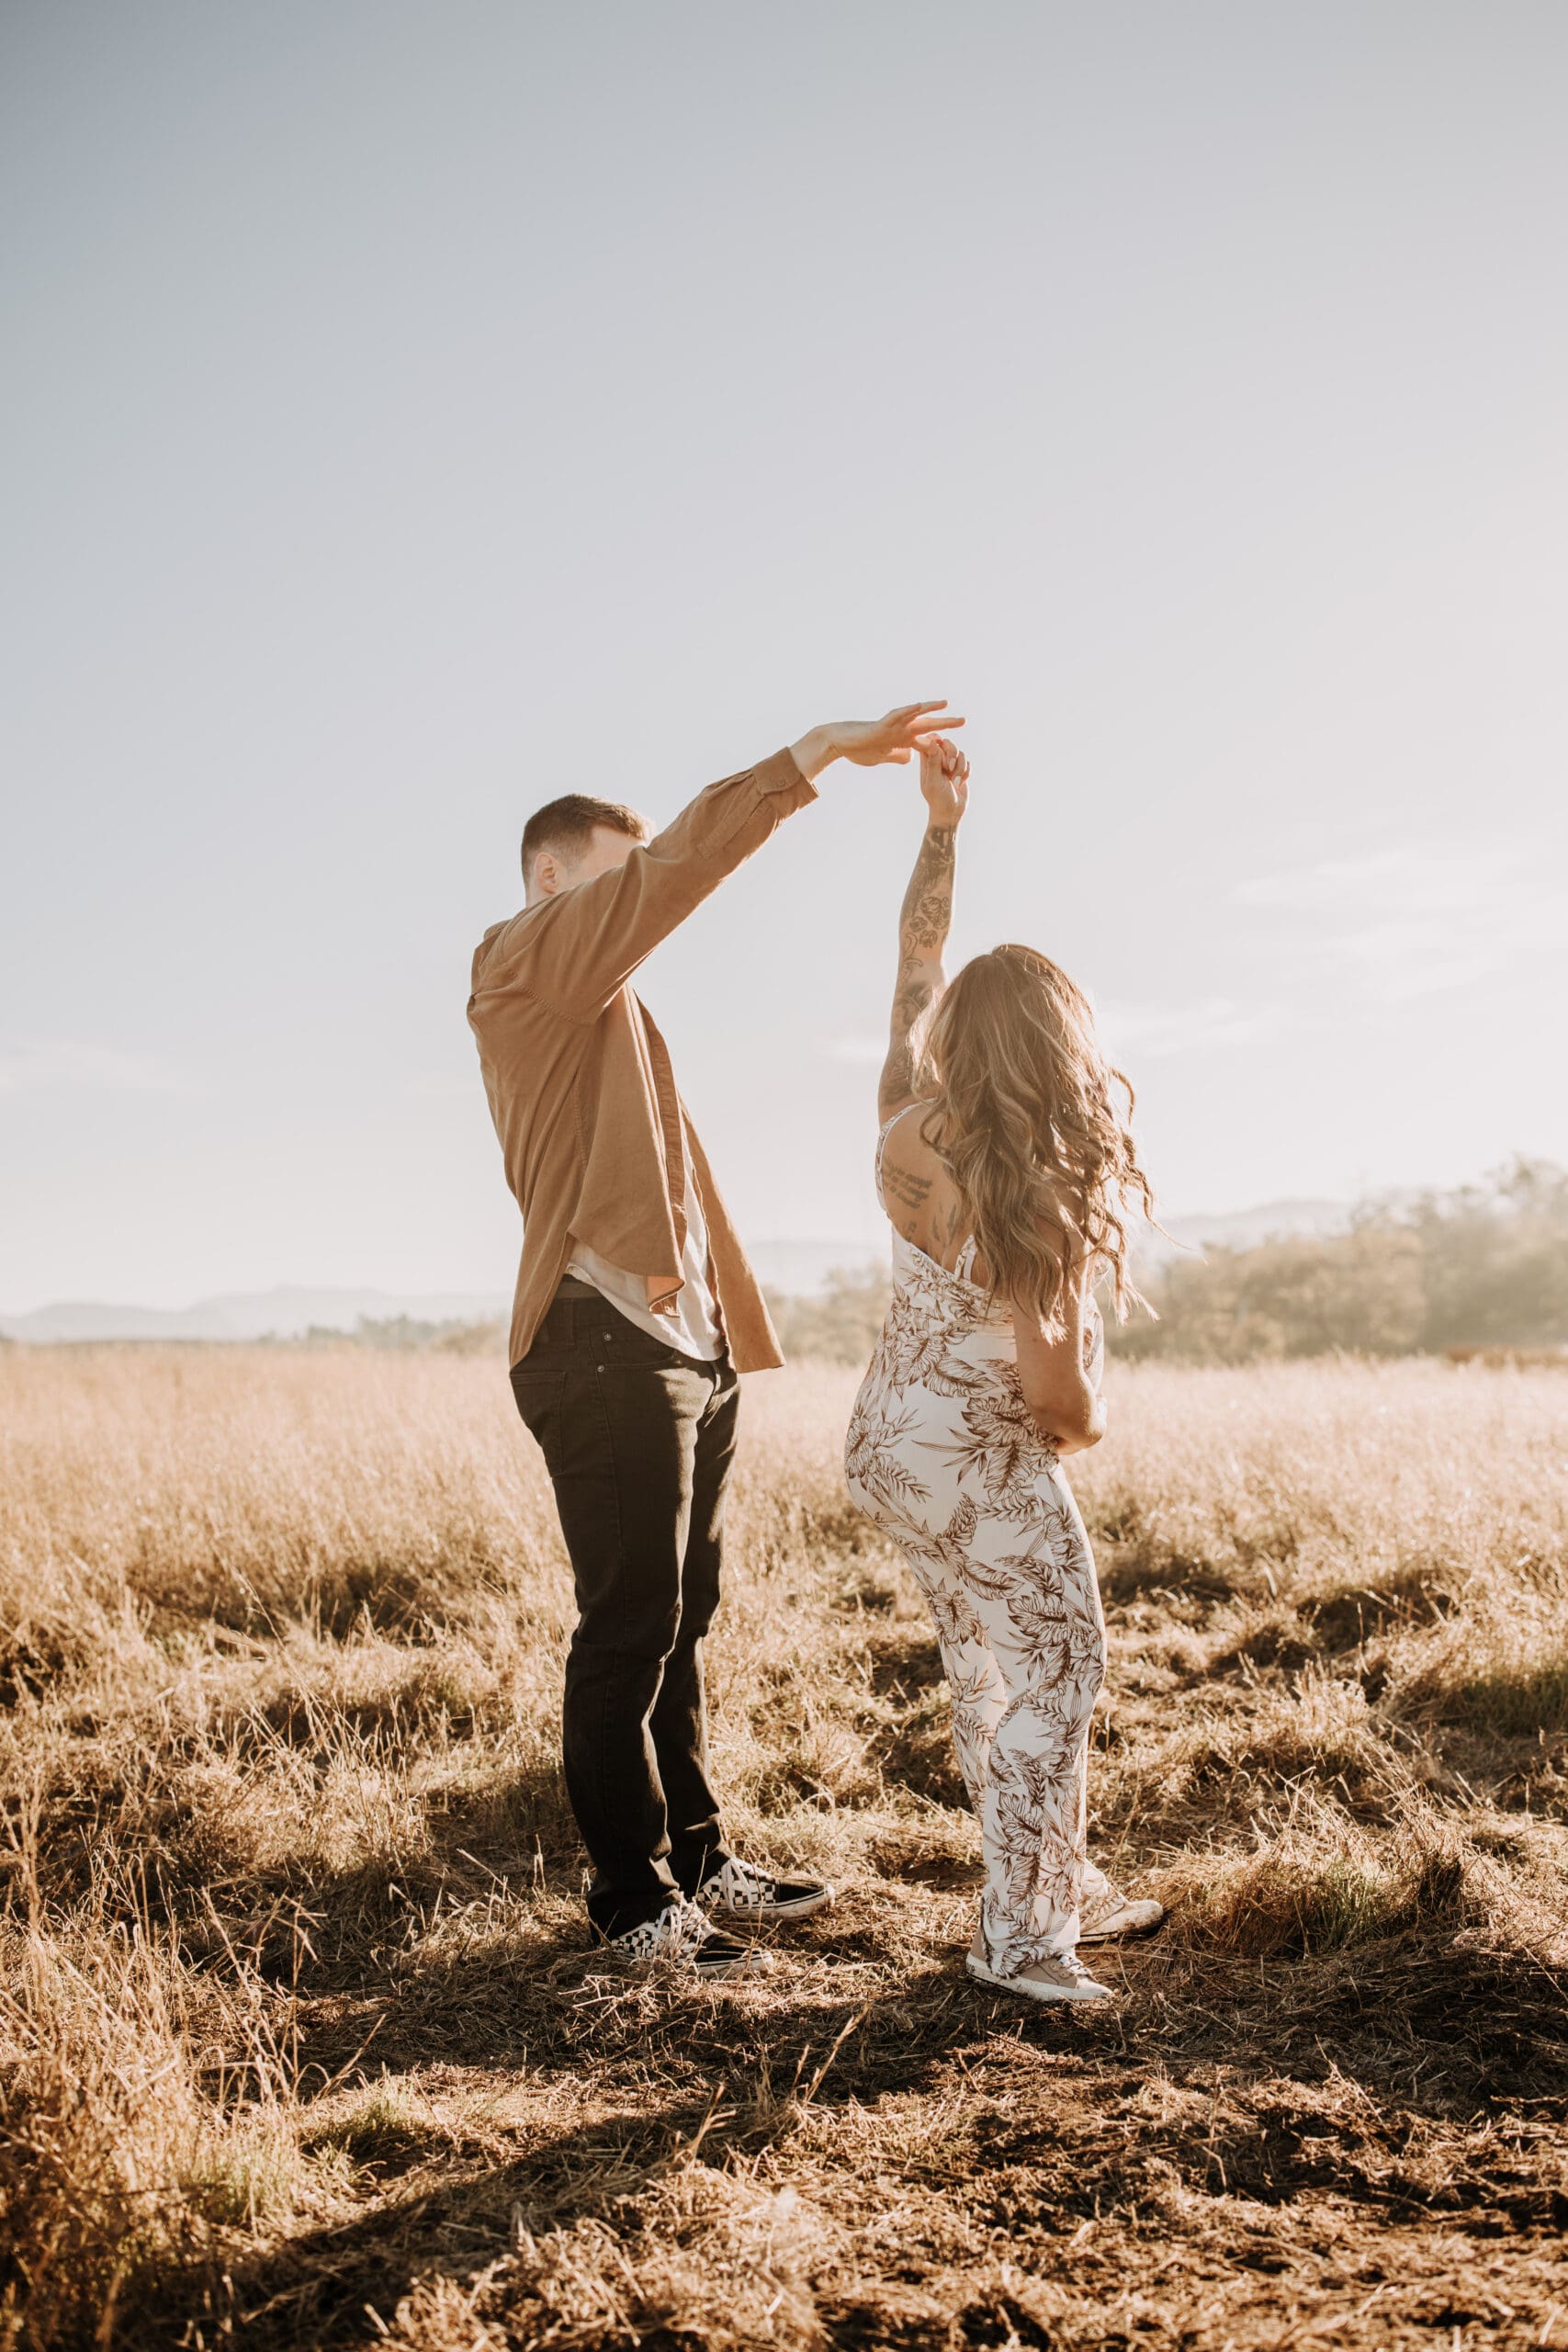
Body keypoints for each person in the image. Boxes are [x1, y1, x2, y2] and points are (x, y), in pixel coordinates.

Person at [469, 702, 964, 1979]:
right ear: (549, 876)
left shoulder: (614, 1008)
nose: (644, 896)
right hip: (598, 1342)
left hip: (682, 1345)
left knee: (684, 1619)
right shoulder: (523, 962)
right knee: (627, 1623)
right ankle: (631, 1906)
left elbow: (674, 1188)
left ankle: (697, 1858)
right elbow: (685, 861)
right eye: (617, 874)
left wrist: (726, 1340)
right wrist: (807, 759)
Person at [844, 735, 1163, 2005]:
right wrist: (1087, 1422)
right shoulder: (1035, 1183)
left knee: (989, 1662)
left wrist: (942, 834)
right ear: (1058, 1051)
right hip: (972, 1458)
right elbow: (1059, 1406)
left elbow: (915, 968)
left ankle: (1052, 1877)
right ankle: (1022, 1943)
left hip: (885, 1446)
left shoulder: (902, 1127)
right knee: (1061, 1662)